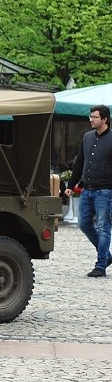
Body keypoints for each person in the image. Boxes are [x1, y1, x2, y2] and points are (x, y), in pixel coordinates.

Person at [65, 104, 112, 278]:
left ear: (104, 119)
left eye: (94, 117)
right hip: (87, 189)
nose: (91, 119)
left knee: (103, 227)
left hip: (105, 191)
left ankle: (100, 266)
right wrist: (70, 185)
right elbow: (79, 163)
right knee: (84, 224)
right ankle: (106, 255)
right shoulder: (87, 137)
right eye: (90, 116)